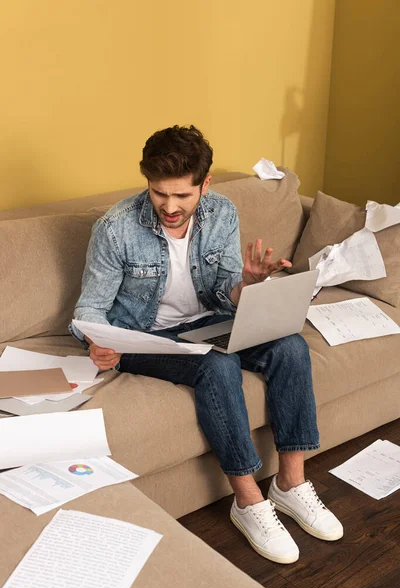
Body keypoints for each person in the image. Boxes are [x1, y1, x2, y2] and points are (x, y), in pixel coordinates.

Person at [70, 125, 343, 564]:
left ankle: (290, 484)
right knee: (216, 367)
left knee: (290, 345)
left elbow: (222, 292)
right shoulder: (115, 228)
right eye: (160, 193)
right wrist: (95, 342)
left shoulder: (222, 212)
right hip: (146, 338)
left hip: (210, 322)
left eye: (183, 195)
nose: (170, 207)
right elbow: (89, 311)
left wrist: (248, 285)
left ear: (205, 183)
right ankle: (248, 500)